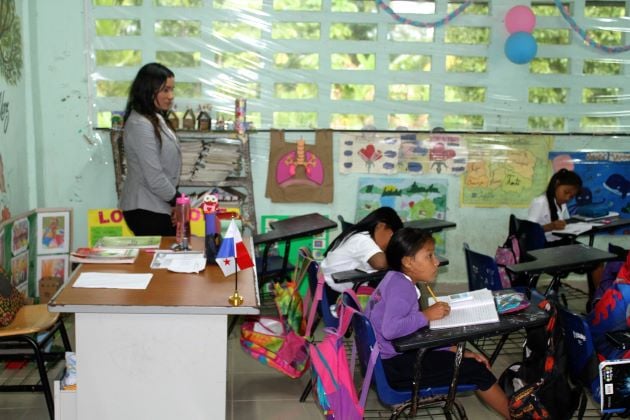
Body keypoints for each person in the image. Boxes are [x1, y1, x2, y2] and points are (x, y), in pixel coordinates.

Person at [365, 228, 510, 419]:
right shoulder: (402, 288)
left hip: (386, 361)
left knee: (466, 362)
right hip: (393, 368)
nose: (437, 262)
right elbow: (391, 330)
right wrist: (426, 315)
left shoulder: (394, 278)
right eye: (429, 256)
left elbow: (412, 333)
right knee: (477, 371)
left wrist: (457, 351)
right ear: (408, 261)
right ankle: (516, 416)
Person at [119, 63, 181, 236]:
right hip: (146, 209)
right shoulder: (140, 124)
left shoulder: (155, 118)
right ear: (148, 90)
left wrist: (175, 202)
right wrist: (178, 200)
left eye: (172, 90)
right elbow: (154, 176)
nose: (171, 96)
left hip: (158, 205)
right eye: (165, 90)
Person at [320, 207, 403, 298]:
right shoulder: (363, 239)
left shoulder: (358, 234)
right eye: (391, 236)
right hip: (335, 294)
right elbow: (380, 263)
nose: (391, 244)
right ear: (381, 226)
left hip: (329, 286)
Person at [527, 168, 582, 245]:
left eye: (571, 197)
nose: (567, 198)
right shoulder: (540, 202)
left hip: (559, 242)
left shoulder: (563, 204)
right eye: (566, 192)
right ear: (556, 184)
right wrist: (551, 226)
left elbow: (566, 224)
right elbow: (528, 231)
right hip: (543, 246)